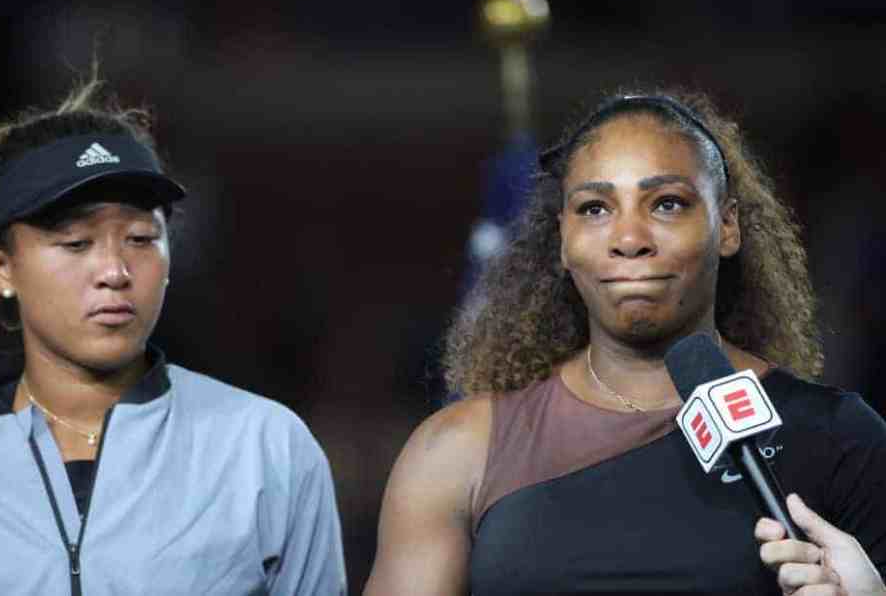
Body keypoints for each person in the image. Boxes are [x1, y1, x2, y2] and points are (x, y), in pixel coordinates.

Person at [364, 90, 886, 595]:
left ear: (727, 225)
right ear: (563, 240)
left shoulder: (840, 437)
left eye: (667, 204)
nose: (630, 238)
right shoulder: (457, 451)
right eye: (595, 209)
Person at [0, 78, 347, 595]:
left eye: (141, 239)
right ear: (1, 269)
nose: (114, 270)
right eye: (75, 242)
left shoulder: (265, 448)